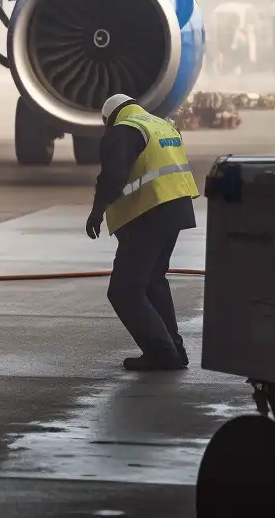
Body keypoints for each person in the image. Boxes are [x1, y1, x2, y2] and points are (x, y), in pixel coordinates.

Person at [87, 93, 199, 372]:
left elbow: (113, 176)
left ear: (109, 118)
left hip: (149, 213)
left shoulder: (125, 130)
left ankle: (163, 354)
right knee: (152, 281)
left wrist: (97, 209)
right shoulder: (161, 124)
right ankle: (174, 348)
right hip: (176, 208)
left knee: (125, 290)